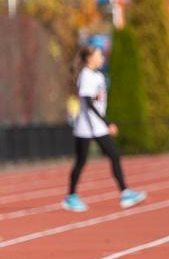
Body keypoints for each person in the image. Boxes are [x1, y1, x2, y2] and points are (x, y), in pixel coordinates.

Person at [61, 45, 147, 213]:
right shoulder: (86, 76)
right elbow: (88, 102)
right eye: (99, 55)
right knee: (81, 161)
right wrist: (107, 122)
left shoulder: (98, 76)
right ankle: (71, 197)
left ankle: (125, 192)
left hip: (98, 126)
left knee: (113, 155)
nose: (102, 58)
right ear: (89, 59)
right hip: (86, 126)